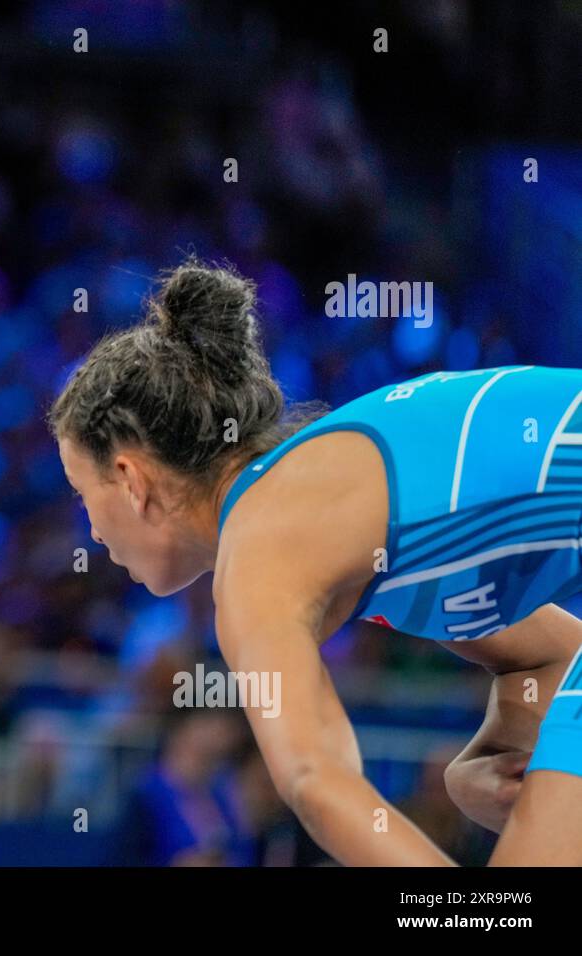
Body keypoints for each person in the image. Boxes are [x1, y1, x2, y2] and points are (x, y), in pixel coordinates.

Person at [51, 257, 582, 865]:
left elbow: (314, 781)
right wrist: (479, 766)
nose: (91, 530)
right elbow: (547, 657)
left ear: (129, 479)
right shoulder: (325, 509)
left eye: (80, 492)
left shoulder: (261, 544)